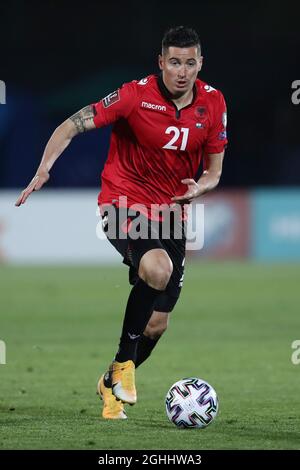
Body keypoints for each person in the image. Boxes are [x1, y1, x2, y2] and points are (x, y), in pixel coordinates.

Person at [15, 26, 228, 420]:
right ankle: (125, 371)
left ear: (201, 64)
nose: (182, 71)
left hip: (171, 214)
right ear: (161, 62)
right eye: (175, 62)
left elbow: (214, 171)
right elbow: (70, 125)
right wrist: (44, 169)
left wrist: (200, 187)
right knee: (158, 269)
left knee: (157, 325)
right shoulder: (133, 95)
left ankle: (111, 377)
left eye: (190, 63)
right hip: (122, 203)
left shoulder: (213, 104)